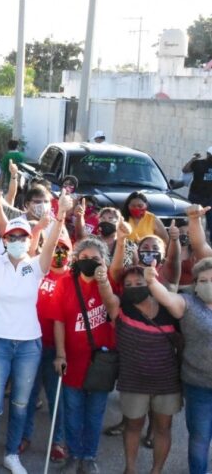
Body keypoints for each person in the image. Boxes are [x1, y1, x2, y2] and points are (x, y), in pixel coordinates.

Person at [0, 185, 70, 474]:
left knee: (19, 404)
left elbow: (51, 243)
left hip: (30, 345)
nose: (16, 240)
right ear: (5, 239)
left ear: (29, 241)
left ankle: (11, 455)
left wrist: (62, 214)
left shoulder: (36, 265)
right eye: (11, 236)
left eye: (22, 237)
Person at [52, 238, 117, 474]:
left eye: (95, 259)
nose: (89, 263)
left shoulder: (110, 282)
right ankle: (74, 455)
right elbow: (59, 320)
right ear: (76, 261)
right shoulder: (65, 283)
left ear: (104, 262)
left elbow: (114, 309)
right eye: (84, 259)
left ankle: (89, 456)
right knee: (72, 412)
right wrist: (60, 354)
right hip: (73, 361)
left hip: (101, 362)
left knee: (95, 413)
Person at [107, 266, 182, 474]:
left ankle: (156, 471)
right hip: (133, 381)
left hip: (167, 382)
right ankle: (130, 469)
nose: (134, 288)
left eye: (139, 283)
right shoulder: (122, 307)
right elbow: (107, 292)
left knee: (163, 428)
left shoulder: (169, 309)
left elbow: (182, 342)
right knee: (133, 426)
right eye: (128, 285)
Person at [146, 256, 212, 474]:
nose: (208, 284)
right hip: (199, 386)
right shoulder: (188, 304)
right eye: (203, 280)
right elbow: (166, 297)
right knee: (200, 438)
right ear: (195, 285)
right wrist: (151, 280)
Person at [19, 232, 72, 463]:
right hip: (31, 343)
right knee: (27, 396)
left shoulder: (73, 279)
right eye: (54, 248)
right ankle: (23, 436)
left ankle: (58, 440)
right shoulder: (37, 273)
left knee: (55, 397)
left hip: (56, 348)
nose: (58, 253)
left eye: (64, 249)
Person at [182, 148, 212, 240]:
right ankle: (188, 238)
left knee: (210, 222)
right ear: (208, 154)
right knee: (192, 218)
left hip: (209, 198)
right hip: (196, 196)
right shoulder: (198, 163)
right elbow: (185, 170)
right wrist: (193, 159)